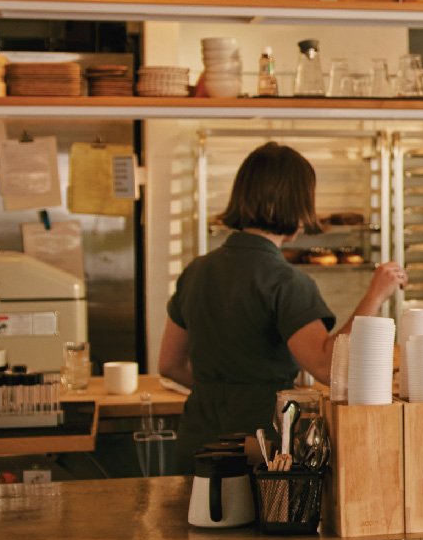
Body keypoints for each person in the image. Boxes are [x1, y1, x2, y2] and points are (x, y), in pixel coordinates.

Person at [159, 142, 404, 454]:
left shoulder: (196, 271)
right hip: (258, 446)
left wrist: (221, 392)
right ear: (294, 205)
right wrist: (376, 295)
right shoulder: (286, 282)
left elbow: (169, 365)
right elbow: (326, 367)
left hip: (197, 441)